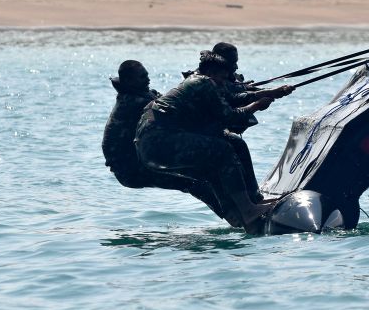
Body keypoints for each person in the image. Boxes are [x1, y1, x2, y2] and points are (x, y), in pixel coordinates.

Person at [135, 52, 283, 231]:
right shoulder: (204, 82)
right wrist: (256, 106)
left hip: (148, 150)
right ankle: (248, 209)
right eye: (222, 78)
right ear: (212, 73)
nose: (224, 82)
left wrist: (268, 93)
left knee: (210, 166)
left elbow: (230, 98)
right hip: (161, 142)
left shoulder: (195, 82)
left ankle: (239, 214)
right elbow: (229, 116)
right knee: (223, 150)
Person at [102, 60, 159, 188]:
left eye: (147, 75)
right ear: (128, 81)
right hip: (130, 172)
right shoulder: (134, 102)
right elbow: (163, 116)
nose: (148, 80)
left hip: (134, 162)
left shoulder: (139, 94)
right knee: (194, 180)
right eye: (143, 77)